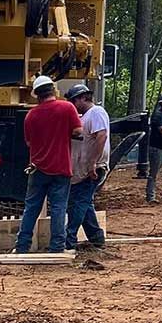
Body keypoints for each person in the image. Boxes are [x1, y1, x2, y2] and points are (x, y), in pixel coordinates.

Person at [17, 75, 83, 252]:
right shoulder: (67, 108)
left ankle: (22, 246)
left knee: (31, 207)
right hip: (61, 168)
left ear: (37, 95)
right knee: (58, 208)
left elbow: (30, 143)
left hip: (38, 168)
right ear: (53, 90)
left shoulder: (31, 116)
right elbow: (78, 131)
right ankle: (57, 246)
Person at [66, 81, 110, 249]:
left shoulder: (96, 112)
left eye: (74, 101)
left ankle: (68, 239)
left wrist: (92, 162)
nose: (73, 105)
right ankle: (96, 238)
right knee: (83, 203)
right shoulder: (84, 117)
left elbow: (101, 136)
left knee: (79, 203)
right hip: (82, 170)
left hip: (93, 168)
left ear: (84, 98)